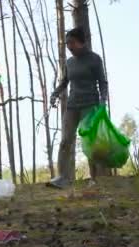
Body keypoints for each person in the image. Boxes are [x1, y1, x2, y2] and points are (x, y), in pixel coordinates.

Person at [48, 27, 109, 189]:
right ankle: (62, 178)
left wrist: (103, 100)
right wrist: (55, 94)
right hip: (72, 106)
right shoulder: (69, 62)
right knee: (65, 141)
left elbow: (103, 82)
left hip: (90, 105)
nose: (69, 46)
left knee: (89, 142)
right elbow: (64, 81)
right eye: (67, 43)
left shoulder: (95, 59)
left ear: (82, 42)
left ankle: (93, 178)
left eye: (72, 43)